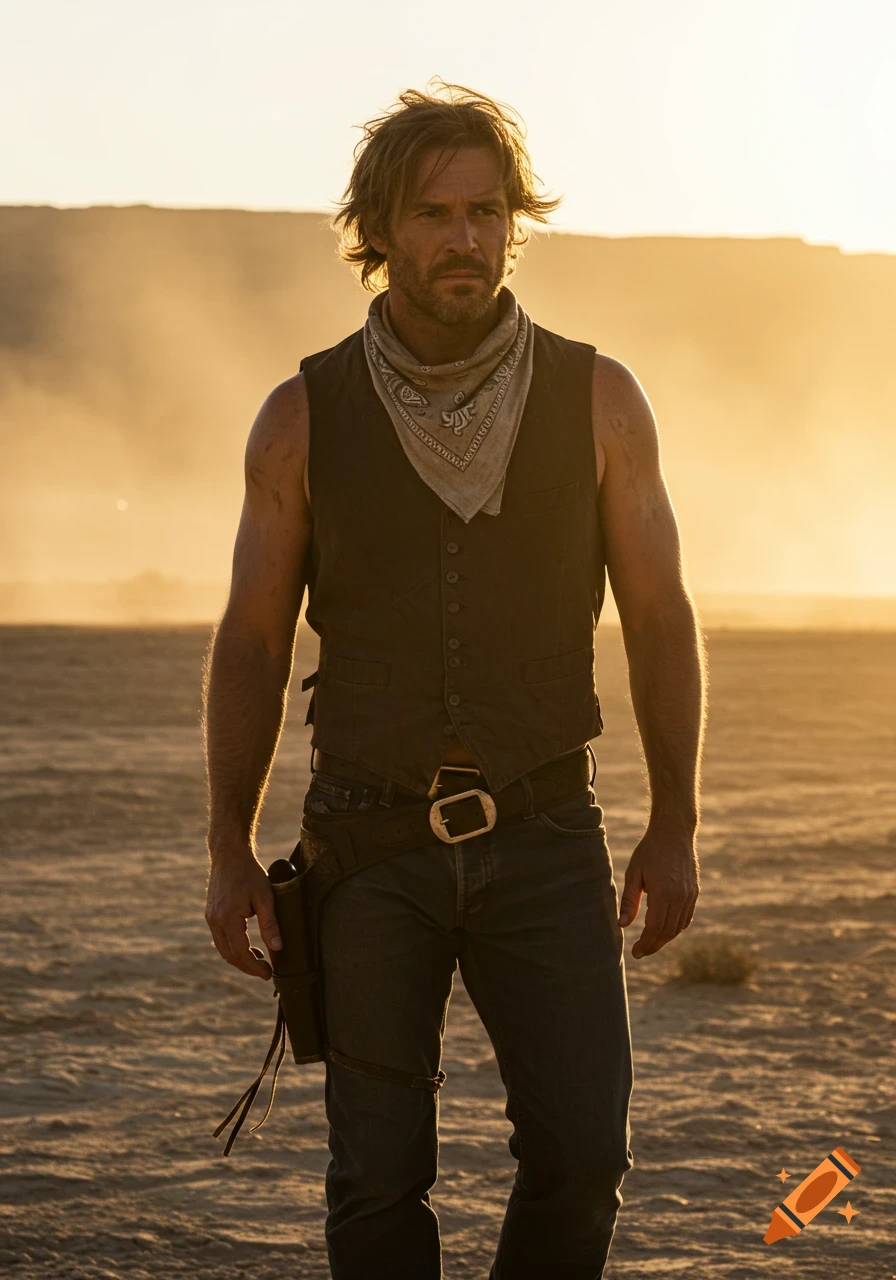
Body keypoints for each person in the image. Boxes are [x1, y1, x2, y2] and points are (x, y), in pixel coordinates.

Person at [203, 80, 706, 1280]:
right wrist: (228, 845)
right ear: (378, 230)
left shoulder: (598, 397)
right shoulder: (299, 418)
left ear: (511, 223)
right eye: (433, 214)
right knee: (376, 1185)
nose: (464, 239)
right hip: (364, 848)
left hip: (544, 831)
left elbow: (657, 612)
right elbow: (254, 640)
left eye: (485, 211)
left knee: (583, 1154)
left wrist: (676, 820)